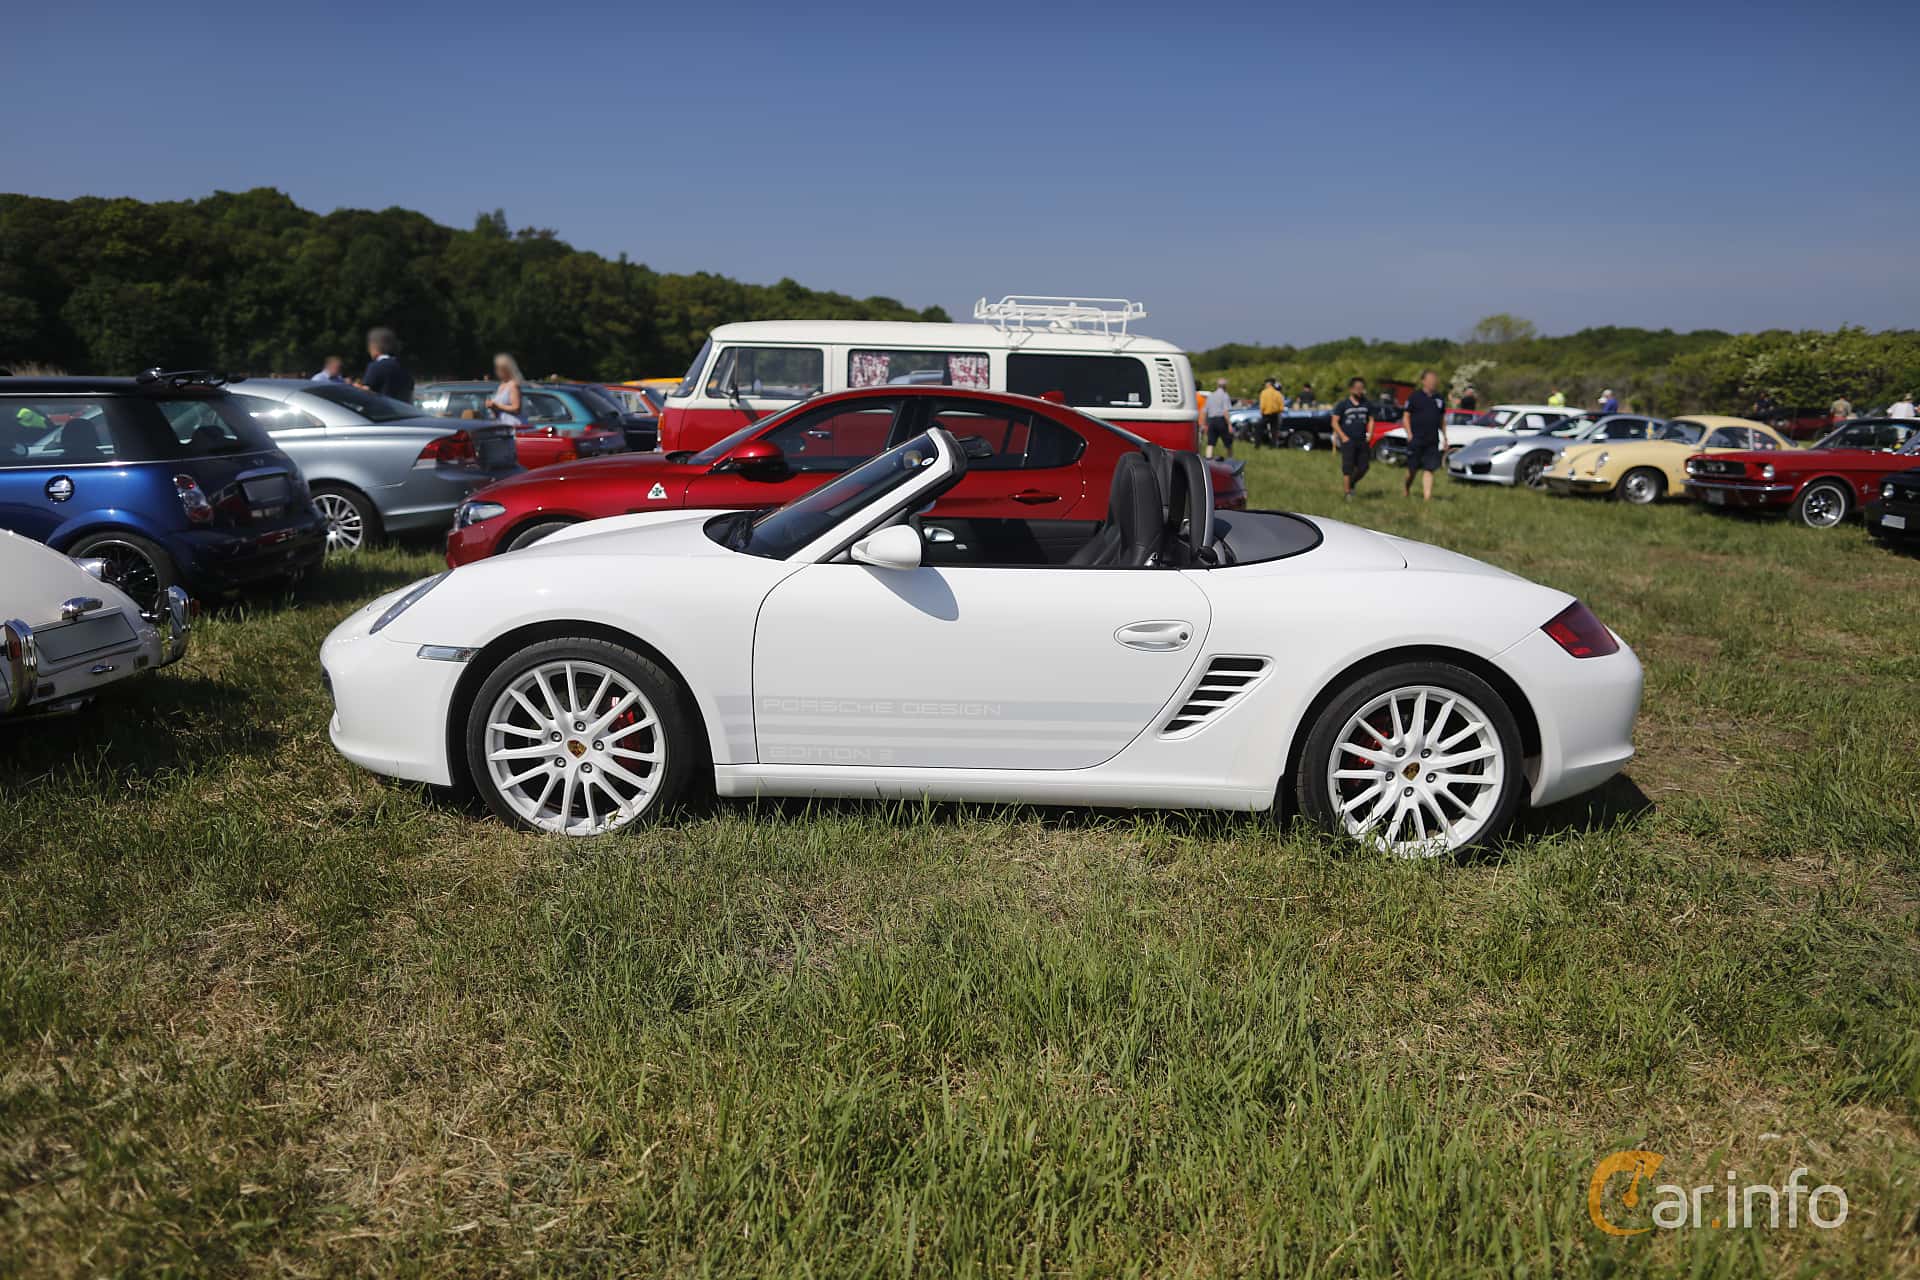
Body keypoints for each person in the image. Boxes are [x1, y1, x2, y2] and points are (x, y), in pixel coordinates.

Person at [1402, 368, 1447, 501]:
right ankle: (1406, 488)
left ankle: (1427, 498)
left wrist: (1445, 437)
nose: (1433, 382)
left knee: (1429, 469)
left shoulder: (1439, 399)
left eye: (1434, 380)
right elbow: (1406, 416)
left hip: (1432, 440)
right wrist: (1409, 434)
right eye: (1430, 380)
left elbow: (1442, 420)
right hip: (1416, 439)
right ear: (1423, 381)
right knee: (1412, 470)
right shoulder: (1415, 397)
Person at [1333, 376, 1372, 500]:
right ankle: (1347, 493)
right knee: (1348, 467)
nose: (1360, 390)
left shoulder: (1367, 403)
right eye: (1357, 388)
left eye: (1362, 388)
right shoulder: (1343, 404)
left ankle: (1351, 483)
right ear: (1351, 389)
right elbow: (1334, 422)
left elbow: (1371, 419)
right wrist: (1343, 437)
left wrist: (1370, 433)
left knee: (1364, 467)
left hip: (1362, 440)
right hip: (1348, 440)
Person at [358, 327, 414, 403]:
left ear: (374, 346)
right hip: (404, 408)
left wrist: (353, 387)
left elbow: (365, 392)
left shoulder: (376, 366)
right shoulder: (404, 366)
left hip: (383, 408)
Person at [486, 353, 527, 424]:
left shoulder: (513, 385)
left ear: (506, 370)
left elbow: (516, 408)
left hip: (514, 425)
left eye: (498, 369)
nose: (497, 371)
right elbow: (498, 411)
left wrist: (497, 406)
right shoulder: (501, 386)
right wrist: (492, 407)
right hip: (502, 424)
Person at [1204, 377, 1233, 458]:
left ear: (1217, 385)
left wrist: (1205, 423)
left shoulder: (1211, 396)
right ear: (1225, 386)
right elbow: (1225, 411)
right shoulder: (1225, 395)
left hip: (1211, 421)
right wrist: (1229, 424)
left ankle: (1208, 458)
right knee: (1227, 442)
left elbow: (1205, 411)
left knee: (1210, 443)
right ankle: (1230, 459)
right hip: (1221, 420)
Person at [1257, 377, 1286, 447]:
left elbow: (1262, 405)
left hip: (1266, 414)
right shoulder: (1278, 393)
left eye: (1265, 383)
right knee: (1274, 431)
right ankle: (1273, 446)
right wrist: (1278, 411)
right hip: (1275, 414)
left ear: (1269, 384)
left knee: (1259, 428)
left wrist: (1261, 411)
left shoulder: (1264, 392)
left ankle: (1257, 444)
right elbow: (1281, 406)